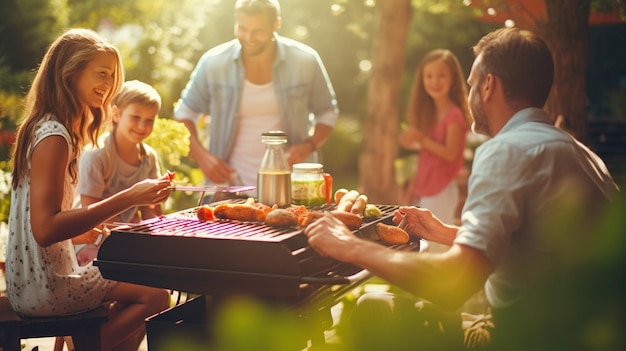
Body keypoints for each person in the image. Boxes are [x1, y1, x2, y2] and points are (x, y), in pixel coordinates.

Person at [304, 27, 619, 350]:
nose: (469, 96)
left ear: (488, 84)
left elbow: (454, 284)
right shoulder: (581, 153)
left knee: (374, 307)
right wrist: (448, 234)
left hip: (521, 338)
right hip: (581, 335)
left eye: (470, 84)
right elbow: (538, 249)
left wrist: (348, 246)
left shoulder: (506, 150)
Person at [6, 28, 171, 350]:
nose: (109, 85)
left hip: (36, 279)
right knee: (156, 295)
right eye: (102, 74)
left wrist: (90, 228)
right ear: (71, 72)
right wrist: (131, 195)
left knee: (138, 290)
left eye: (113, 76)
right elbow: (45, 229)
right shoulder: (54, 137)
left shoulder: (53, 128)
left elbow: (46, 221)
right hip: (45, 286)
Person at [173, 0, 339, 192]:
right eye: (242, 28)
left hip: (293, 187)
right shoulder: (213, 63)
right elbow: (184, 112)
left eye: (258, 31)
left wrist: (308, 145)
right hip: (229, 188)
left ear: (276, 24)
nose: (249, 38)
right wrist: (203, 157)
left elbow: (327, 113)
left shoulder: (306, 60)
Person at [75, 80, 164, 265]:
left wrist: (158, 234)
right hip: (90, 239)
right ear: (116, 114)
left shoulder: (148, 157)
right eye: (135, 117)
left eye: (149, 120)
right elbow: (89, 211)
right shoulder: (97, 155)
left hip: (127, 237)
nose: (142, 126)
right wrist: (129, 236)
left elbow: (149, 209)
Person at [398, 49, 471, 252]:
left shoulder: (454, 115)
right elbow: (426, 157)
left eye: (441, 75)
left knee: (436, 248)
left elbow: (449, 153)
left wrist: (420, 138)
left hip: (442, 189)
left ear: (453, 79)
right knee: (423, 248)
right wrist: (412, 189)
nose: (434, 81)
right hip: (425, 189)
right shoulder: (429, 114)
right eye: (429, 76)